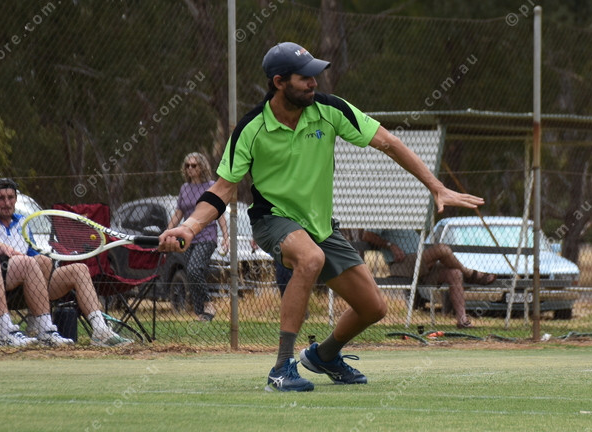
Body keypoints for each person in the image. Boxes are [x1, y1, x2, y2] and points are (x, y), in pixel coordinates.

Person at [158, 42, 485, 392]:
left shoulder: (330, 109)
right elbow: (223, 189)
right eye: (305, 77)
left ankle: (325, 355)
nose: (314, 82)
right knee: (310, 258)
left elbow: (389, 142)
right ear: (279, 82)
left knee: (373, 308)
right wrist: (190, 226)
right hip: (273, 220)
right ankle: (282, 368)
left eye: (315, 75)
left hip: (321, 227)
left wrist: (436, 187)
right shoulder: (251, 128)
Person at [0, 178, 133, 347]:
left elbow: (35, 256)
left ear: (16, 199)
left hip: (32, 284)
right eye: (1, 198)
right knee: (30, 262)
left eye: (10, 197)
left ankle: (101, 331)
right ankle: (40, 328)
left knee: (76, 269)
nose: (7, 203)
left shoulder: (23, 222)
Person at [361, 229, 497, 328]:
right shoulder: (385, 215)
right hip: (403, 263)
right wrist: (390, 245)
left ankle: (462, 320)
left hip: (421, 263)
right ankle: (470, 274)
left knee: (455, 273)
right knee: (442, 249)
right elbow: (366, 235)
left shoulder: (408, 218)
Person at [167, 153, 229, 321]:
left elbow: (219, 213)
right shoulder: (184, 188)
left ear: (202, 167)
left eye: (194, 165)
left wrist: (225, 236)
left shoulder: (211, 186)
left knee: (194, 268)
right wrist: (168, 232)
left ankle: (208, 304)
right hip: (187, 237)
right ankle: (201, 313)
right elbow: (178, 213)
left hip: (207, 235)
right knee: (191, 272)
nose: (190, 169)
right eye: (187, 165)